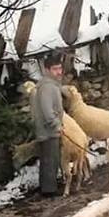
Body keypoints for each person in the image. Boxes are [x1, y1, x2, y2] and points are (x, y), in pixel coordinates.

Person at [33, 52, 65, 196]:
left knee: (52, 158)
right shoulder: (47, 87)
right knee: (49, 160)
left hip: (49, 130)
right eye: (55, 69)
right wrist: (56, 125)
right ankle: (48, 190)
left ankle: (50, 185)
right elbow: (47, 110)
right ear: (47, 70)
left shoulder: (51, 85)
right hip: (48, 131)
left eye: (60, 68)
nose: (59, 72)